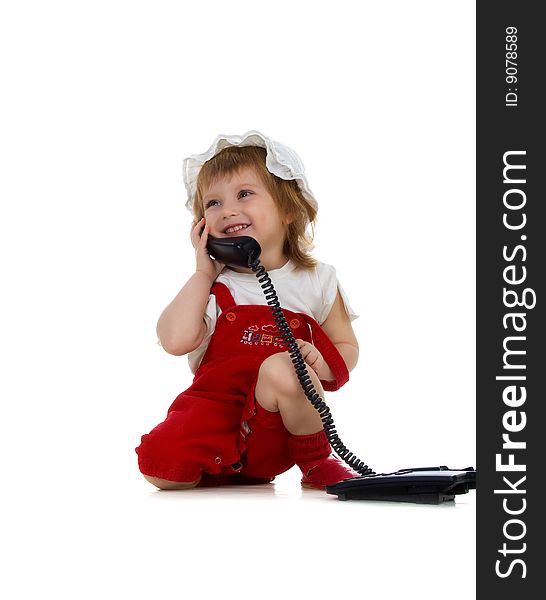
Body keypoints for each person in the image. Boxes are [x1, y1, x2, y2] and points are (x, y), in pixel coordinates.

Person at [135, 130, 360, 490]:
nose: (228, 210)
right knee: (157, 467)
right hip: (215, 413)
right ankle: (222, 468)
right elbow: (174, 340)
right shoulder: (213, 286)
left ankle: (317, 461)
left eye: (244, 194)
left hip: (278, 425)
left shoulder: (317, 280)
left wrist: (319, 359)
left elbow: (347, 347)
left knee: (282, 367)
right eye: (213, 203)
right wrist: (202, 272)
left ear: (289, 209)